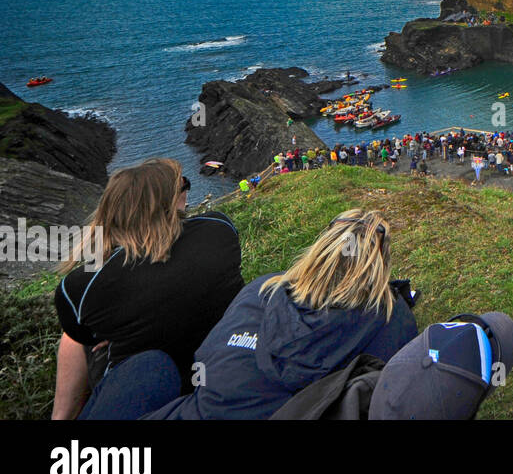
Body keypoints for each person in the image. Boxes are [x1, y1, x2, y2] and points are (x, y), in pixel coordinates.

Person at [148, 209, 417, 420]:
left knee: (150, 366)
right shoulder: (393, 320)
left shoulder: (263, 289)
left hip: (195, 412)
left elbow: (205, 357)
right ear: (381, 263)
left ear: (319, 249)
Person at [52, 158, 243, 420]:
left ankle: (61, 417)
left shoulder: (80, 286)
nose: (187, 189)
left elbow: (85, 336)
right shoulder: (219, 229)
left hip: (142, 394)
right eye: (182, 185)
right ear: (167, 201)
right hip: (224, 375)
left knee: (74, 338)